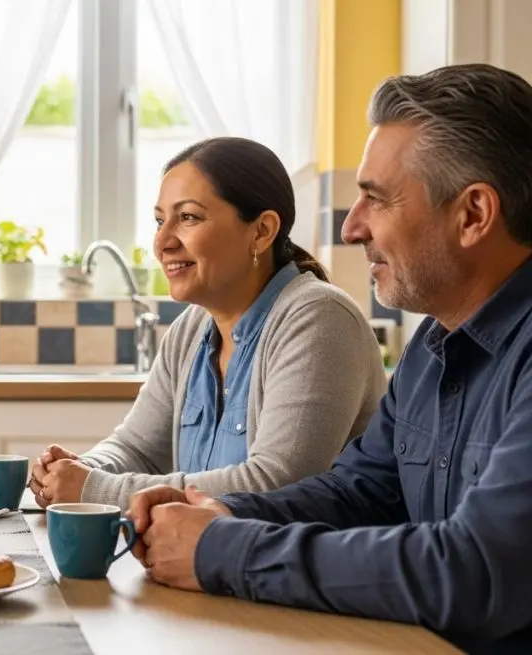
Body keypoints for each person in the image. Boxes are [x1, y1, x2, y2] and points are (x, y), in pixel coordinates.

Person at [130, 63, 532, 653]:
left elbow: (474, 573)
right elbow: (361, 491)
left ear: (472, 214)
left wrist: (221, 549)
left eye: (376, 200)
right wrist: (220, 509)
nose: (351, 228)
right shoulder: (431, 348)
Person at [28, 136, 387, 511]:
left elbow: (275, 483)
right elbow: (137, 448)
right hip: (215, 561)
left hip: (302, 567)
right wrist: (80, 469)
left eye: (188, 217)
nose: (163, 241)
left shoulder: (318, 318)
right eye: (159, 220)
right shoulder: (192, 328)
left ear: (262, 231)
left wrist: (96, 489)